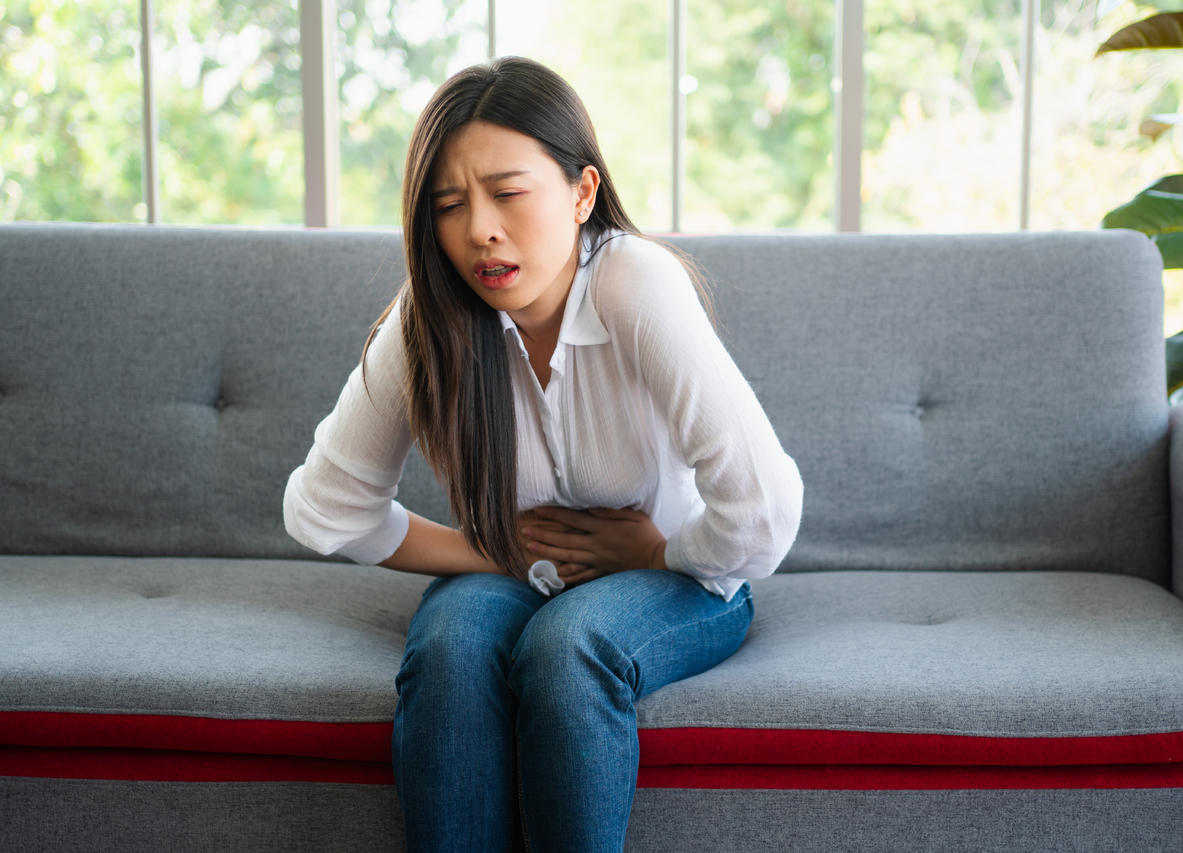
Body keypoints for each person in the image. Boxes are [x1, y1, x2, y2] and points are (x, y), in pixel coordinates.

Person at [282, 56, 803, 853]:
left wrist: (661, 551)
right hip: (520, 577)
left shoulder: (635, 282)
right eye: (449, 204)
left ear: (582, 192)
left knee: (568, 646)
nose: (478, 230)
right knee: (453, 647)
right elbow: (323, 506)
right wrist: (492, 553)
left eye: (508, 193)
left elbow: (762, 512)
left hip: (687, 581)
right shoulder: (431, 317)